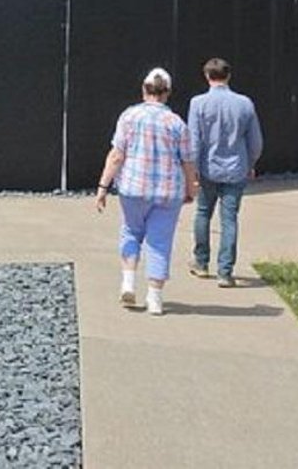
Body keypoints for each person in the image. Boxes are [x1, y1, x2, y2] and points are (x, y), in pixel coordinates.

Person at [95, 67, 198, 316]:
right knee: (160, 242)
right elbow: (187, 162)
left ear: (144, 89)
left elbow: (117, 155)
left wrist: (103, 186)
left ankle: (128, 282)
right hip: (167, 192)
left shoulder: (129, 117)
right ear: (168, 93)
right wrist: (190, 188)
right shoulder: (176, 123)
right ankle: (155, 298)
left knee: (130, 232)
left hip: (133, 187)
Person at [187, 57, 264, 287]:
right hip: (236, 168)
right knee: (229, 219)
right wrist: (250, 163)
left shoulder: (198, 104)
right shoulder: (245, 104)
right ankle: (225, 271)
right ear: (228, 76)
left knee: (202, 213)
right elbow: (256, 142)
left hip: (208, 168)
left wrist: (193, 170)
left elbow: (194, 141)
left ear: (207, 76)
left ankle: (201, 263)